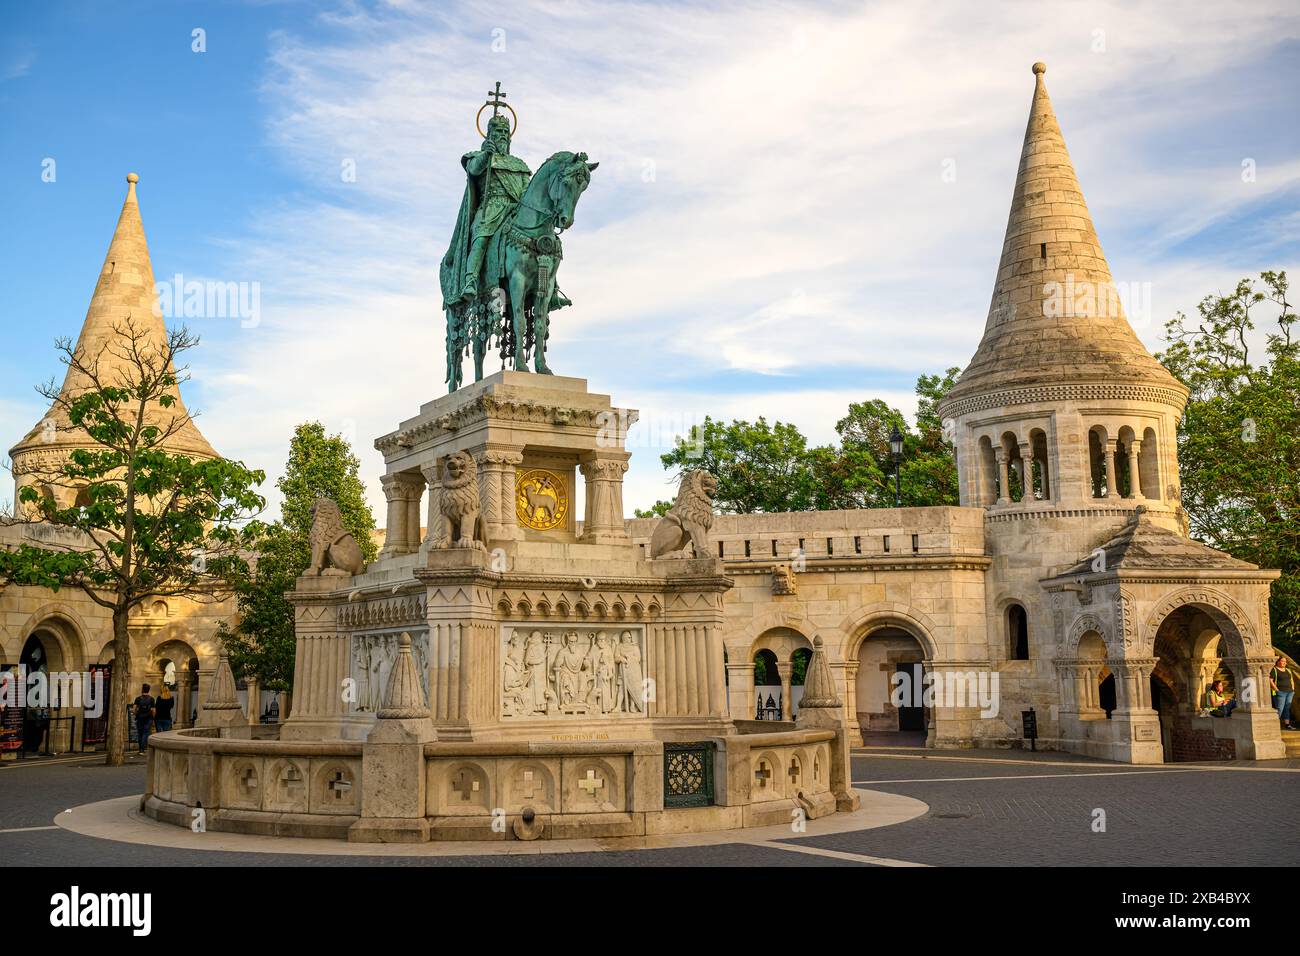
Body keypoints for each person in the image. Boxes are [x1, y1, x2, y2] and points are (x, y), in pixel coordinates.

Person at [1271, 656, 1295, 730]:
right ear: (1278, 661)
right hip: (1280, 692)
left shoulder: (1288, 670)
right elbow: (1270, 680)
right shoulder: (1274, 670)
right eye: (1282, 661)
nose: (1284, 662)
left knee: (1287, 708)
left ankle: (1287, 725)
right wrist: (1277, 690)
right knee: (1279, 709)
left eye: (1285, 661)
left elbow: (1291, 680)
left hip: (1289, 692)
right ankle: (1274, 725)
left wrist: (1293, 689)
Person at [132, 683, 156, 753]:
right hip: (148, 718)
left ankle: (140, 749)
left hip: (140, 718)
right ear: (148, 690)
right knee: (146, 732)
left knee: (140, 733)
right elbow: (154, 711)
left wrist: (136, 714)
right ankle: (142, 749)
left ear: (142, 690)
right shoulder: (151, 699)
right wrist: (153, 718)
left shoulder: (138, 699)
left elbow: (134, 710)